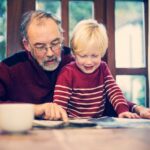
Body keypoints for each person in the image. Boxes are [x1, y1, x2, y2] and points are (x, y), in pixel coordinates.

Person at [0, 10, 149, 121]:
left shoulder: (78, 59)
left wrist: (135, 107)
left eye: (55, 43)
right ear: (26, 45)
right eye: (40, 46)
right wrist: (36, 109)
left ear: (62, 37)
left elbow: (102, 94)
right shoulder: (9, 68)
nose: (50, 53)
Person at [53, 19, 150, 119]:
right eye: (83, 56)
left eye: (94, 56)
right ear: (74, 54)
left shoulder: (103, 68)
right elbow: (60, 104)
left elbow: (114, 91)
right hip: (73, 123)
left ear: (102, 53)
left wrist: (123, 110)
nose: (89, 62)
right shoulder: (67, 72)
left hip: (98, 123)